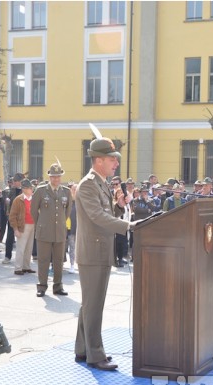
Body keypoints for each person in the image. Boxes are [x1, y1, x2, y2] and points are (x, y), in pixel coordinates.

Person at [74, 136, 135, 371]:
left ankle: (82, 349)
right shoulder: (89, 184)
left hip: (99, 250)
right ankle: (95, 355)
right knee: (94, 305)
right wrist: (128, 226)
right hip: (93, 252)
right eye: (112, 159)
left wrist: (119, 206)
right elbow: (97, 217)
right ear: (98, 160)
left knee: (90, 303)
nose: (116, 164)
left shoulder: (101, 183)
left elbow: (105, 212)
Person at [31, 163, 72, 297]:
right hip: (44, 231)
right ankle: (42, 286)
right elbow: (33, 211)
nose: (56, 179)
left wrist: (60, 223)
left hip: (59, 231)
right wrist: (41, 224)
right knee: (43, 260)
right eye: (53, 177)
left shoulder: (66, 191)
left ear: (61, 177)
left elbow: (67, 211)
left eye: (58, 176)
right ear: (49, 177)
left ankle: (58, 286)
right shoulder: (41, 191)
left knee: (59, 260)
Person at [9, 179, 36, 276]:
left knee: (29, 247)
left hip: (32, 225)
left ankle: (26, 267)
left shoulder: (34, 198)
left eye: (31, 187)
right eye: (30, 188)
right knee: (21, 248)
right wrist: (15, 229)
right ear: (24, 189)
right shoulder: (18, 199)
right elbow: (12, 216)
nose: (32, 189)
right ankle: (18, 268)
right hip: (22, 226)